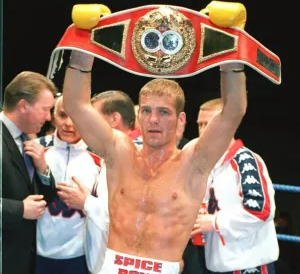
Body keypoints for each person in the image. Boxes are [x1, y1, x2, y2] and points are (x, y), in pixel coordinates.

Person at [62, 50, 247, 273]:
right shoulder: (119, 152)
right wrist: (82, 48)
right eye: (147, 110)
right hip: (112, 266)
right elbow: (75, 105)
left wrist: (232, 53)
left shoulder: (192, 163)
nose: (153, 120)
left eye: (163, 112)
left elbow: (232, 111)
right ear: (138, 115)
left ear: (180, 119)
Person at [191, 98, 279, 273]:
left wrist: (215, 221)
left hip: (248, 266)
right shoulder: (209, 165)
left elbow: (260, 210)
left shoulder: (246, 161)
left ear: (228, 125)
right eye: (200, 124)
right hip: (217, 265)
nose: (202, 131)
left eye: (208, 124)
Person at [57, 90, 140, 274]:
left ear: (114, 119)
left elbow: (125, 222)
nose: (85, 125)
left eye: (92, 117)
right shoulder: (111, 155)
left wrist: (85, 202)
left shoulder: (133, 159)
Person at [34, 95, 101, 274]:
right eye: (63, 115)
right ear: (53, 115)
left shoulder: (100, 158)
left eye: (76, 116)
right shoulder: (35, 149)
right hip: (37, 252)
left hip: (80, 255)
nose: (69, 123)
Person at [1, 71, 57, 274]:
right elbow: (25, 207)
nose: (49, 117)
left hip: (23, 257)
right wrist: (19, 209)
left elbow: (45, 199)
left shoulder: (27, 140)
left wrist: (43, 168)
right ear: (23, 105)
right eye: (45, 109)